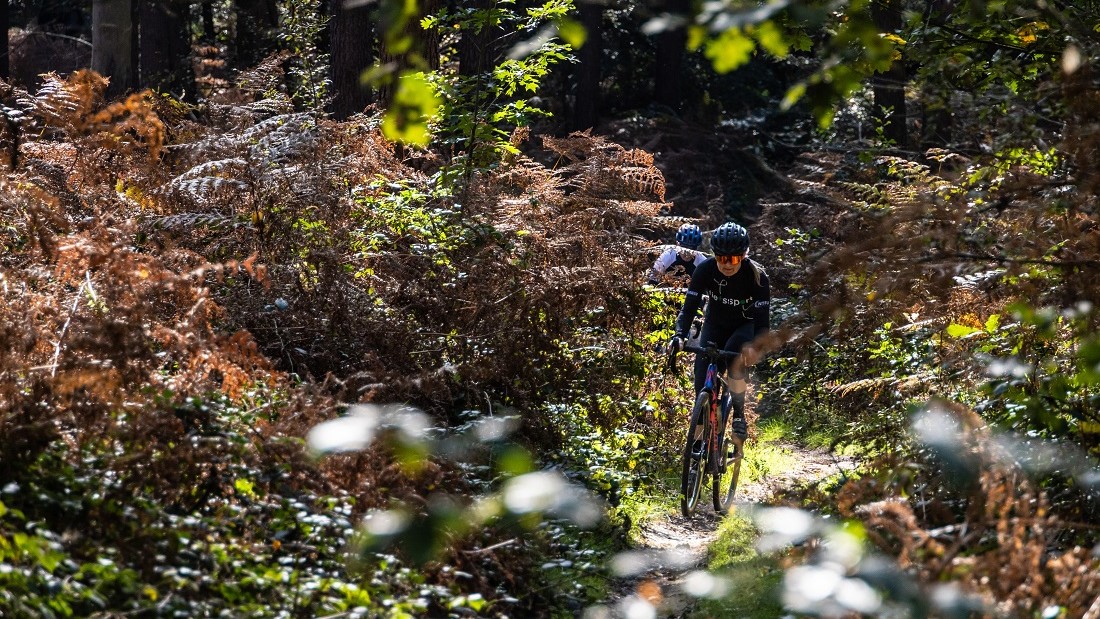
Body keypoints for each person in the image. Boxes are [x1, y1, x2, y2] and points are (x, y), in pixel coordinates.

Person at [669, 222, 770, 441]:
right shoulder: (705, 269)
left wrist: (755, 348)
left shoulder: (757, 277)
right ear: (714, 255)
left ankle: (739, 416)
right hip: (714, 324)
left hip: (744, 326)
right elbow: (689, 307)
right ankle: (697, 446)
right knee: (701, 380)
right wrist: (679, 335)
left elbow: (763, 323)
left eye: (733, 259)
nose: (726, 264)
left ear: (744, 256)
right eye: (721, 258)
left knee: (736, 356)